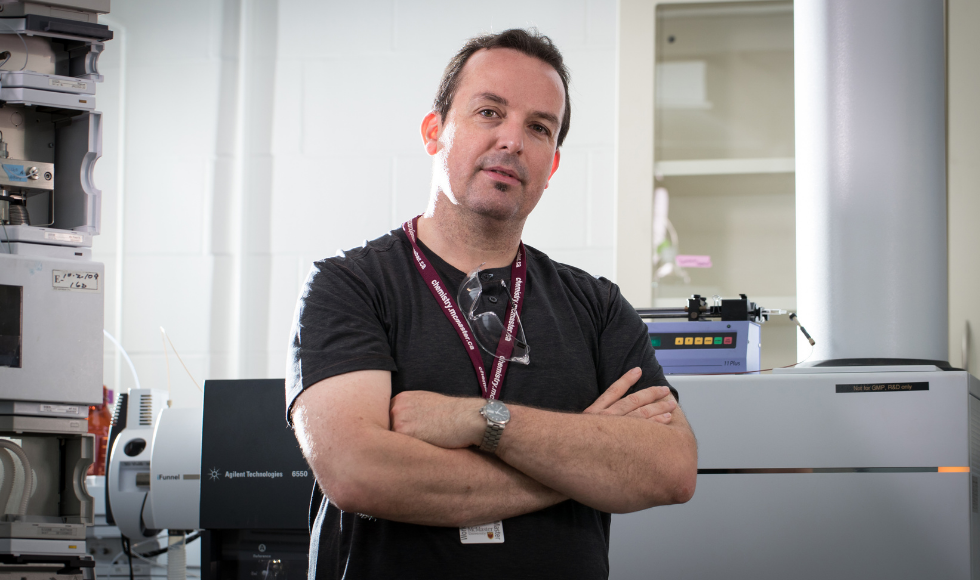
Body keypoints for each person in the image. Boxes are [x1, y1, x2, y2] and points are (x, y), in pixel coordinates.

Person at [286, 28, 697, 580]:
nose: (512, 140)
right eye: (488, 112)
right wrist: (578, 463)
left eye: (538, 127)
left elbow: (670, 470)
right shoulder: (351, 286)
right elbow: (358, 472)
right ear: (435, 132)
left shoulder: (595, 305)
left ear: (551, 166)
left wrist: (480, 421)